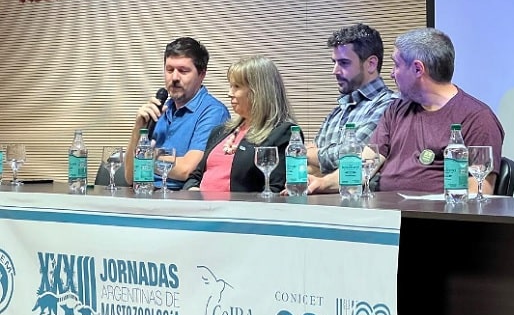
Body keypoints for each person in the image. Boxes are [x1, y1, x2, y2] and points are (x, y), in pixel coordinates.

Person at [308, 27, 504, 195]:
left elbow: (478, 193)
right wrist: (322, 183)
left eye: (396, 65)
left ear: (418, 69)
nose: (392, 73)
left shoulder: (477, 118)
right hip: (387, 218)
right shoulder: (396, 110)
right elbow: (364, 165)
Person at [125, 37, 229, 190]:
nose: (174, 78)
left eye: (183, 71)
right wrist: (138, 128)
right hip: (144, 194)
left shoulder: (213, 112)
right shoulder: (160, 109)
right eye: (169, 70)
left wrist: (144, 157)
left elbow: (186, 170)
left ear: (202, 74)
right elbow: (129, 176)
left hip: (180, 200)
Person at [183, 56, 298, 193]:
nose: (229, 93)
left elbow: (273, 189)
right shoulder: (221, 131)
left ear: (258, 91)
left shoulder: (283, 132)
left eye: (237, 87)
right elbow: (195, 177)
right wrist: (193, 191)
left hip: (240, 210)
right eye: (230, 86)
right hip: (201, 209)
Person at [307, 23, 397, 176]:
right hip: (323, 199)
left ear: (371, 64)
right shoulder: (338, 111)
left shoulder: (389, 105)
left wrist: (310, 155)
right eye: (333, 62)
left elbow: (360, 158)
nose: (334, 71)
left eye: (343, 63)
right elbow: (308, 168)